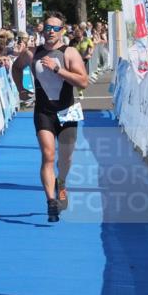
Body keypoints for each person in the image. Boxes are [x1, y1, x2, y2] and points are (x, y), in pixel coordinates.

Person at [32, 12, 90, 223]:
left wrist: (58, 69)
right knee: (48, 155)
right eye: (48, 27)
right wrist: (20, 87)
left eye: (56, 28)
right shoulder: (33, 53)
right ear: (42, 29)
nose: (51, 31)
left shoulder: (70, 52)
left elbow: (83, 82)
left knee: (65, 158)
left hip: (68, 110)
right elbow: (16, 67)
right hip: (43, 112)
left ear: (62, 31)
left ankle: (62, 183)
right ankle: (50, 202)